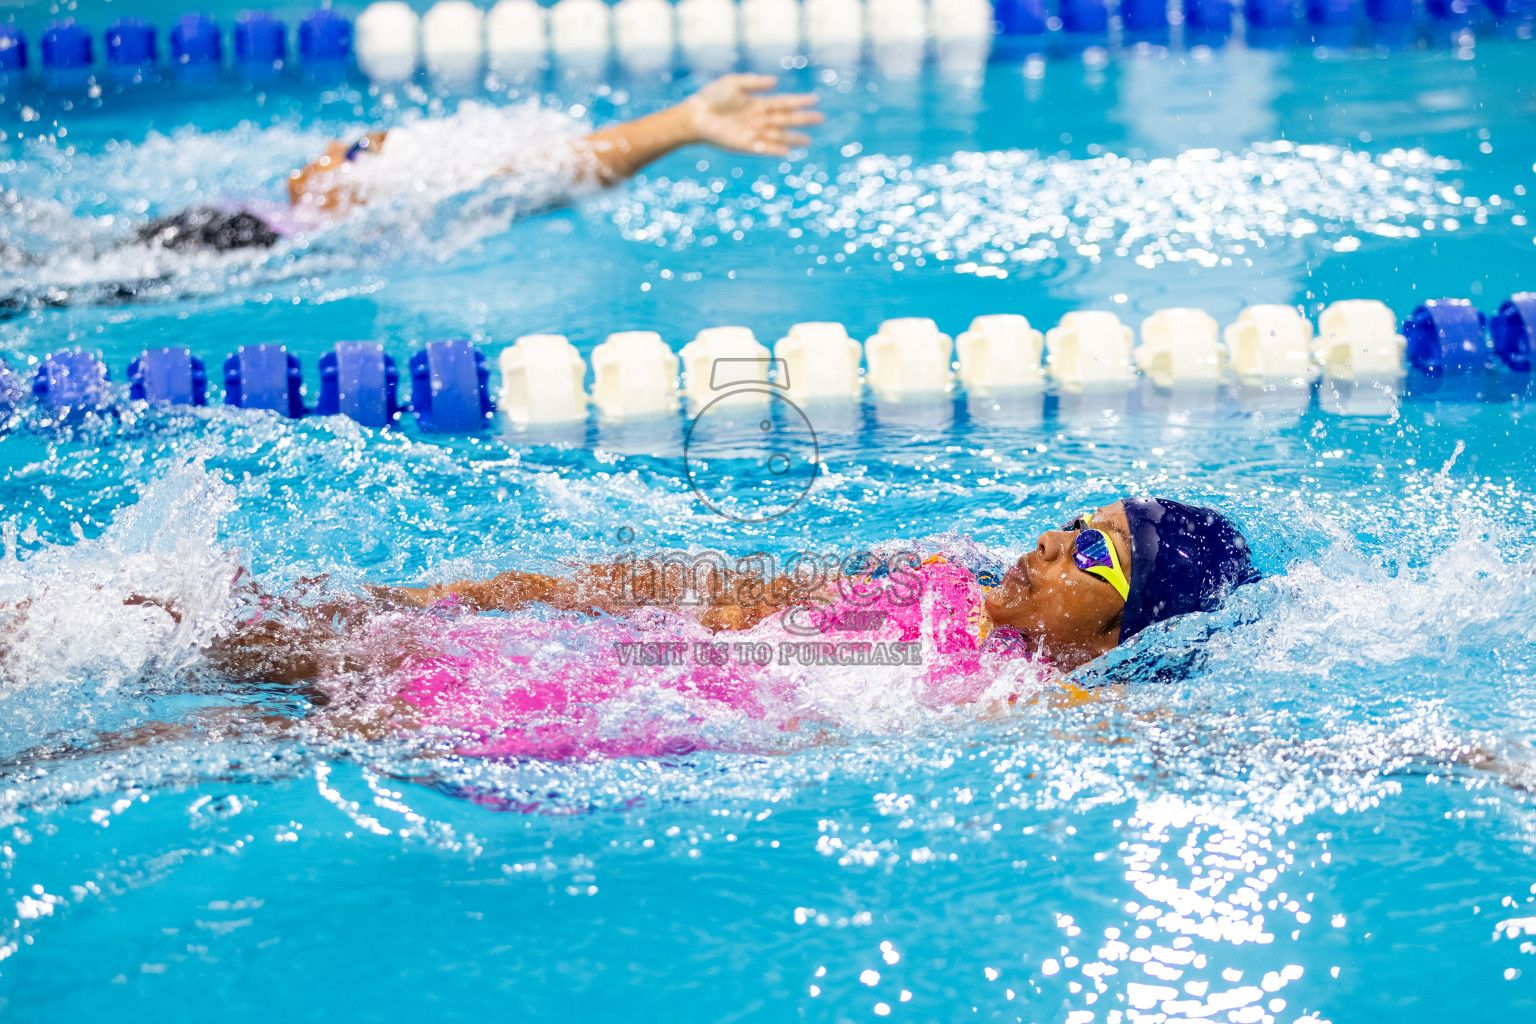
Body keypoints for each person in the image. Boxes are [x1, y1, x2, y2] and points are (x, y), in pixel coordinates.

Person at [132, 74, 822, 253]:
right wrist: (682, 123)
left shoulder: (426, 168)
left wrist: (681, 125)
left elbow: (553, 173)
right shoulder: (430, 181)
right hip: (235, 238)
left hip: (228, 224)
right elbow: (556, 174)